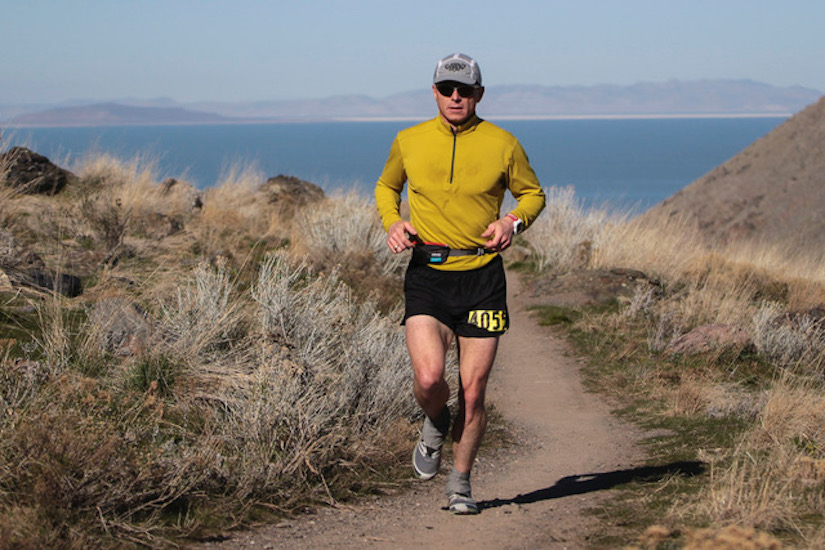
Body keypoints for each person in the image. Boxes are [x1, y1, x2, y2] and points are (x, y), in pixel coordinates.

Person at [374, 53, 545, 515]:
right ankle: (434, 420)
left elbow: (533, 194)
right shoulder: (408, 141)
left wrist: (512, 221)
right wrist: (393, 222)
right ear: (433, 92)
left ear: (479, 95)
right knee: (430, 379)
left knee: (474, 390)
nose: (455, 97)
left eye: (464, 90)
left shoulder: (503, 143)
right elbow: (387, 187)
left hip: (483, 278)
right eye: (447, 89)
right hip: (427, 275)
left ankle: (461, 483)